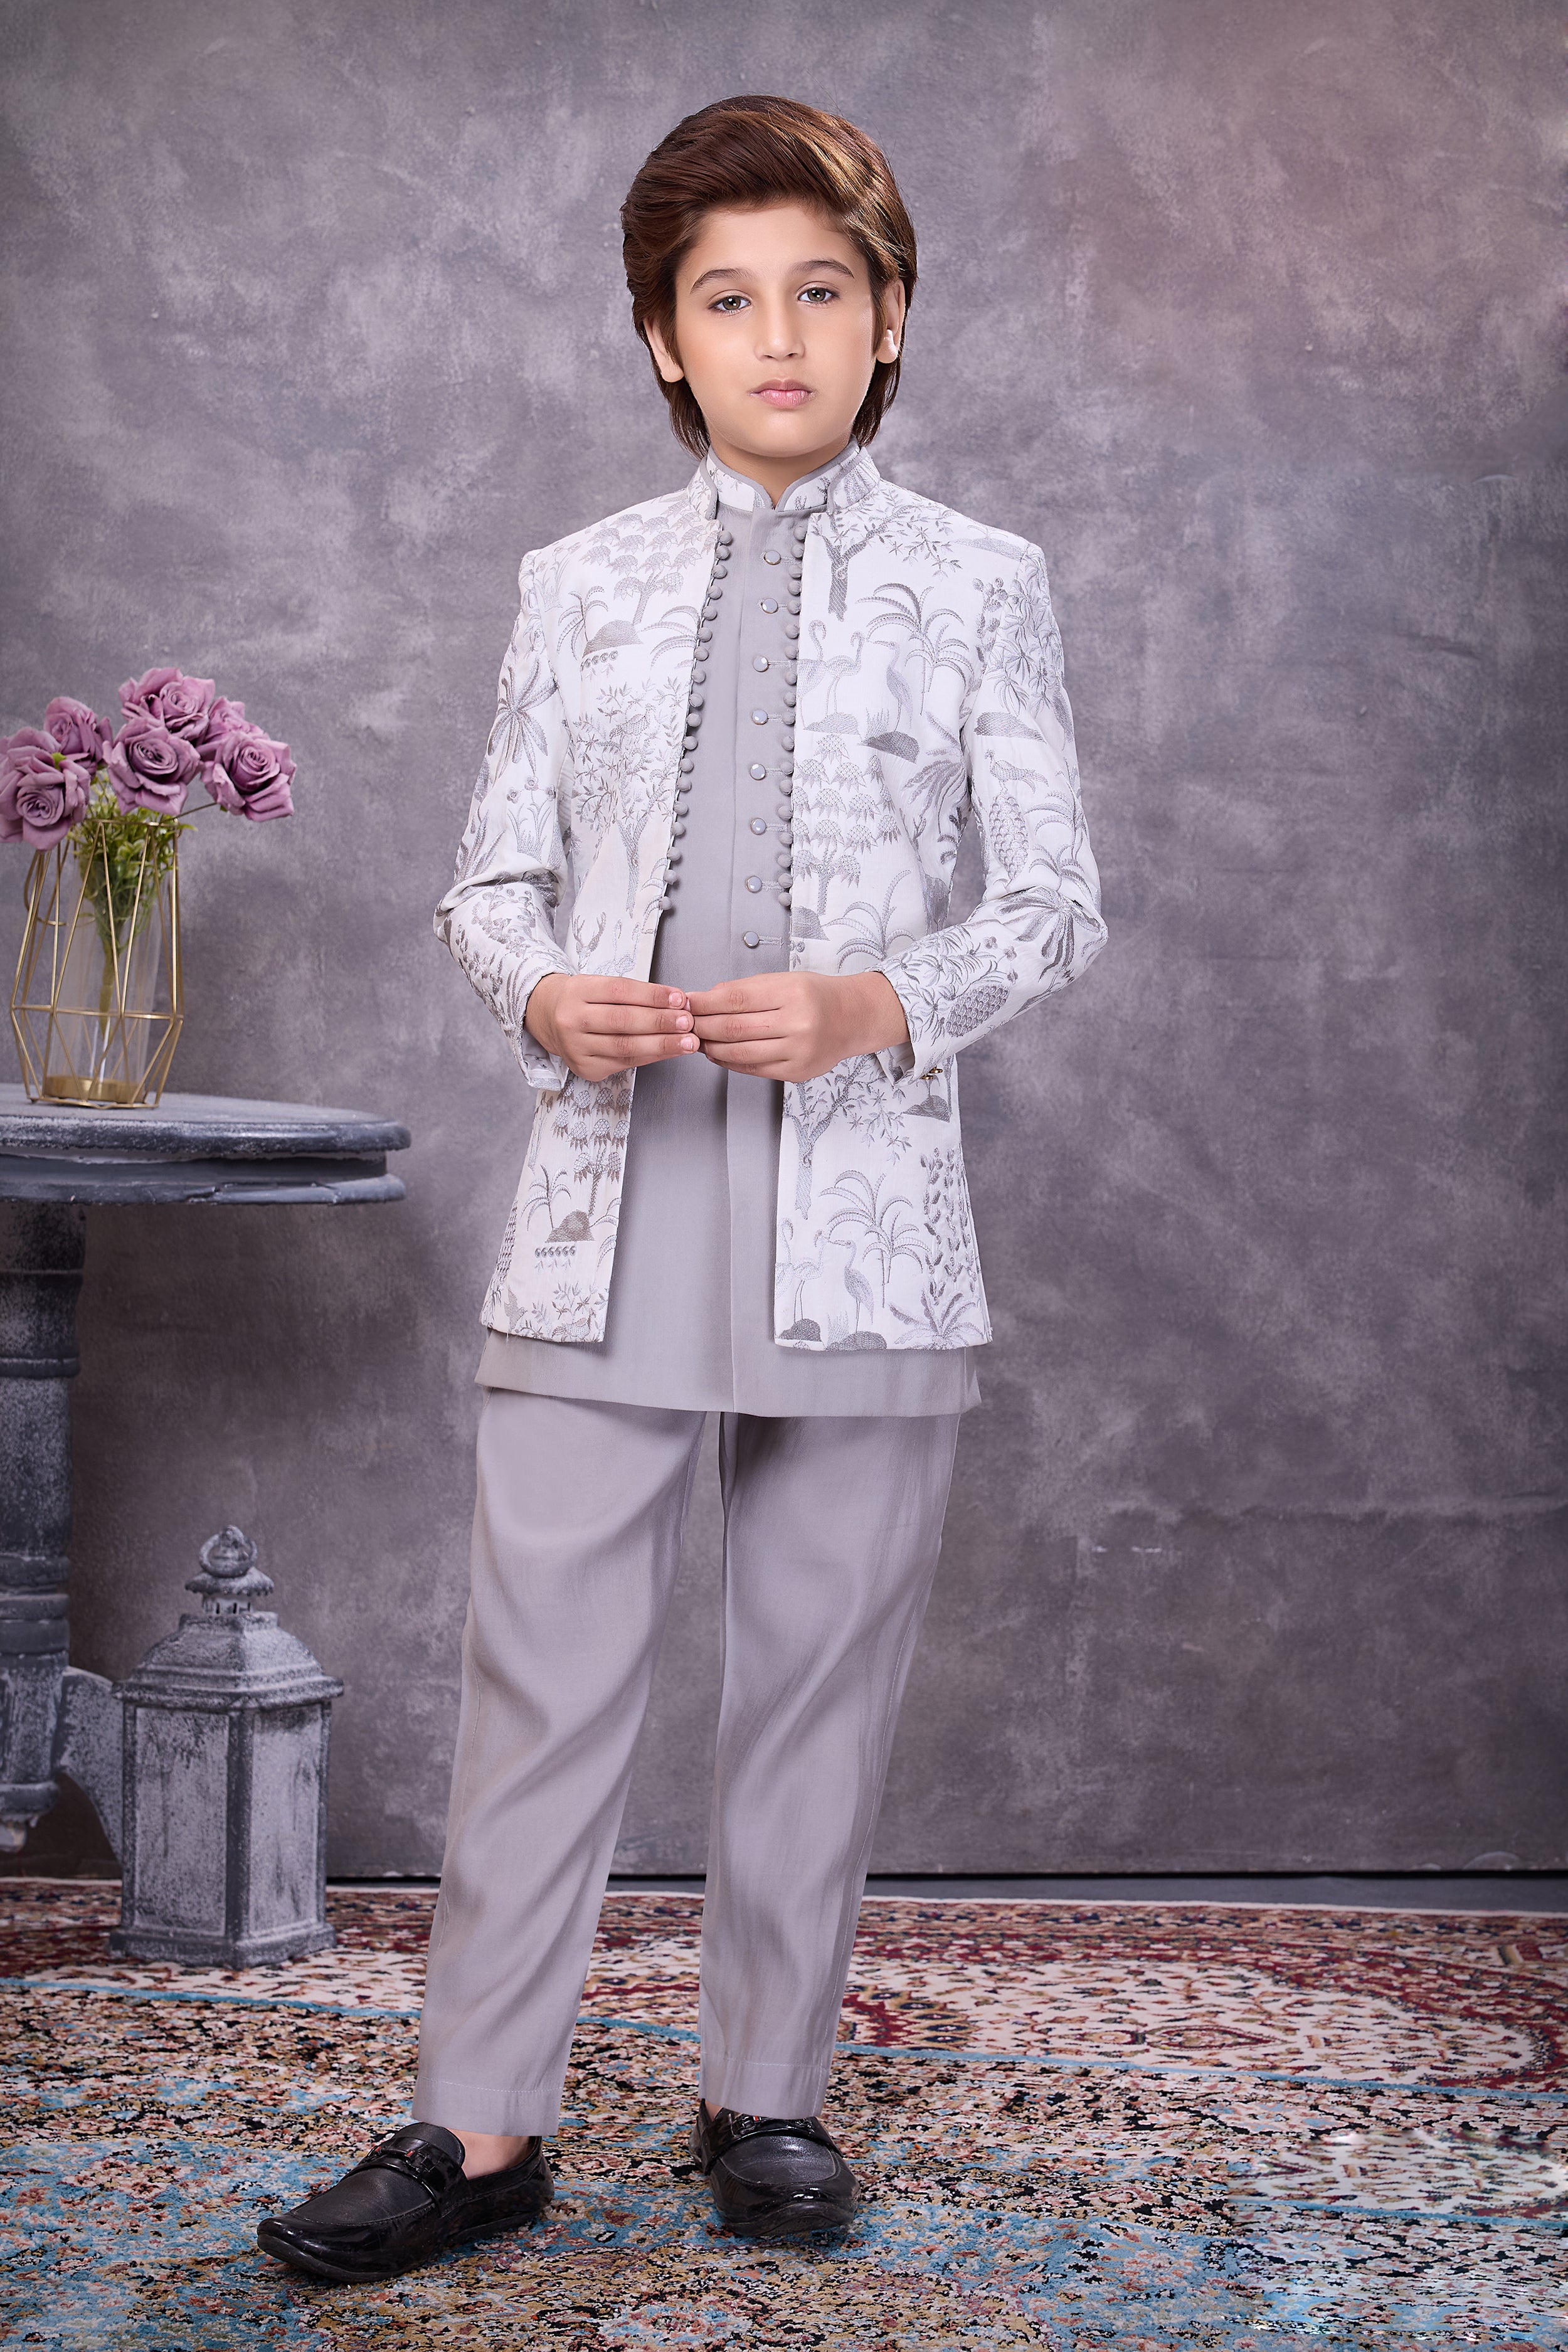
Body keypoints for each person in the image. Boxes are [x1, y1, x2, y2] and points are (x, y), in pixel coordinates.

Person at [258, 92, 1105, 2284]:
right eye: (727, 299)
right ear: (662, 337)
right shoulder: (577, 585)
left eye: (822, 290)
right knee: (542, 1682)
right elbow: (487, 888)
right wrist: (548, 994)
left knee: (817, 1679)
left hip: (862, 1232)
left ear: (888, 315)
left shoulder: (979, 584)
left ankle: (767, 2098)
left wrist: (875, 1003)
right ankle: (478, 2129)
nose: (778, 336)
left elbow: (1051, 905)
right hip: (603, 1216)